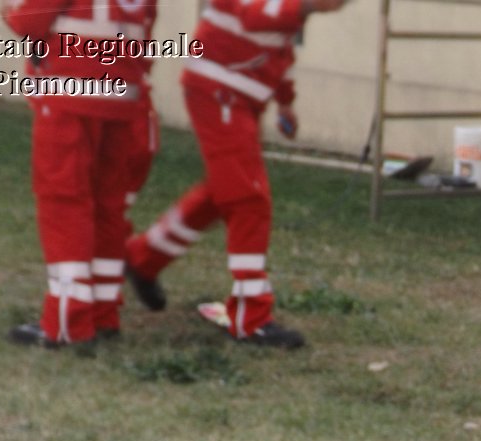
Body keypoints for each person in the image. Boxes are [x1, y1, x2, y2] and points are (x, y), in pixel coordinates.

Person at [122, 0, 347, 350]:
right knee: (249, 198)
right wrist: (306, 7)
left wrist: (285, 99)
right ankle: (250, 317)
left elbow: (279, 42)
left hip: (234, 90)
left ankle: (144, 257)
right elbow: (253, 14)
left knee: (224, 191)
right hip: (219, 88)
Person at [1, 0, 157, 350]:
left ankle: (67, 320)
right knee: (107, 208)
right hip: (121, 99)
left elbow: (30, 21)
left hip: (70, 95)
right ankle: (103, 313)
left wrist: (9, 11)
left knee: (63, 203)